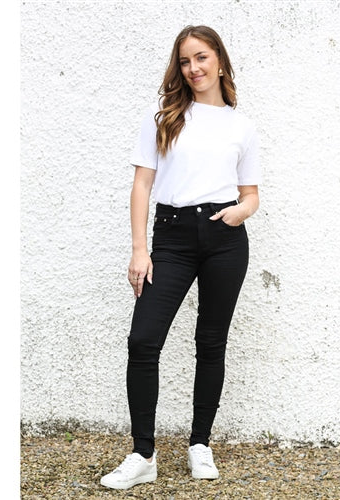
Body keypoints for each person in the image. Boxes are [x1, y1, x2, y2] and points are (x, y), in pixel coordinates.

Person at [101, 25, 261, 490]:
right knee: (143, 340)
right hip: (171, 237)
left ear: (219, 61)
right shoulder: (165, 118)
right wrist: (140, 249)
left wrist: (240, 211)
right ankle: (143, 454)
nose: (193, 68)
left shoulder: (241, 126)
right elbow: (142, 185)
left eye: (202, 57)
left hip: (225, 237)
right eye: (185, 61)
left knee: (211, 342)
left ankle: (200, 444)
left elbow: (251, 194)